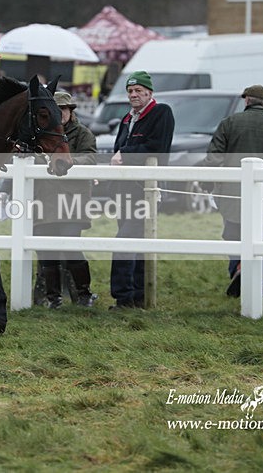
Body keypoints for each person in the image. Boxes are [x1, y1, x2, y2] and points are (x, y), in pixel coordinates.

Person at [202, 85, 263, 297]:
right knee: (260, 240)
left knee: (234, 236)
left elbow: (213, 158)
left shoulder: (229, 123)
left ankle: (238, 270)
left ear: (246, 101)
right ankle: (260, 283)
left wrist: (206, 184)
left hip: (231, 192)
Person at [108, 71, 175, 309]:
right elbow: (118, 148)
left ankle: (124, 297)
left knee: (124, 242)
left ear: (149, 92)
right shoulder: (127, 118)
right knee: (133, 242)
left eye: (138, 91)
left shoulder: (161, 112)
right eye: (130, 91)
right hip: (123, 189)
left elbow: (158, 147)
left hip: (144, 190)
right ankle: (136, 296)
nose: (133, 95)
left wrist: (125, 155)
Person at [33, 91, 99, 308]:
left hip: (72, 200)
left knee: (71, 247)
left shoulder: (83, 134)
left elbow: (90, 158)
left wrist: (65, 160)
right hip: (44, 199)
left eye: (62, 109)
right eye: (55, 110)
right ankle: (54, 298)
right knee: (46, 252)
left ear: (70, 111)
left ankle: (84, 294)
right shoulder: (41, 134)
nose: (59, 114)